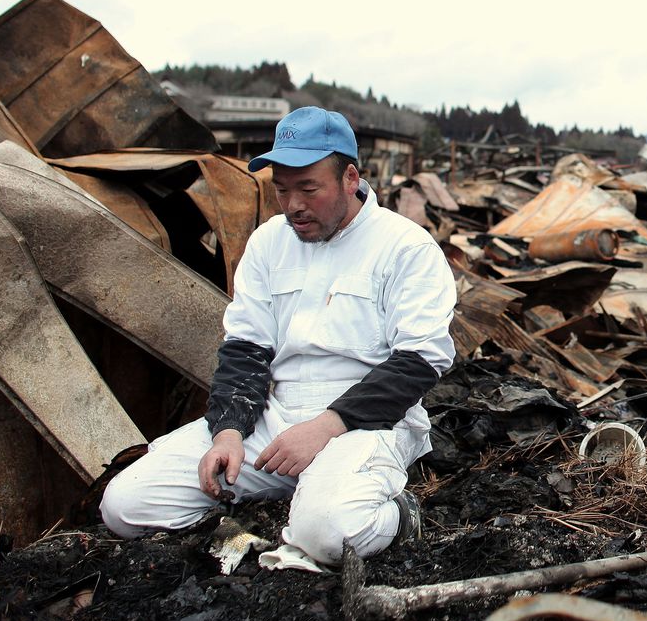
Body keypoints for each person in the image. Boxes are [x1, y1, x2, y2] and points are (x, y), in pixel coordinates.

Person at [100, 107, 456, 565]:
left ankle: (398, 515)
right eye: (281, 189)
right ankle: (290, 492)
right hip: (277, 417)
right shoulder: (270, 242)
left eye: (308, 188)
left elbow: (419, 362)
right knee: (125, 506)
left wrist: (325, 428)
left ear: (350, 178)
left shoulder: (405, 247)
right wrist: (228, 431)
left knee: (328, 536)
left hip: (367, 422)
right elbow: (246, 347)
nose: (293, 205)